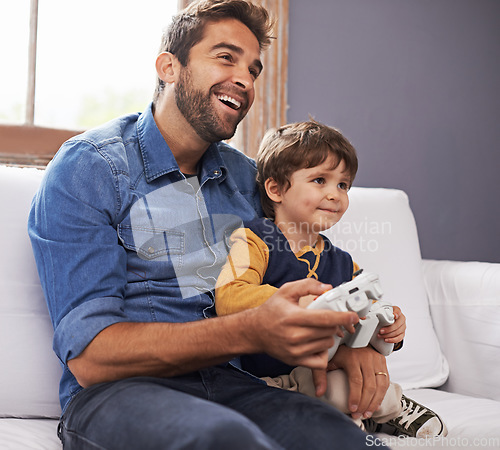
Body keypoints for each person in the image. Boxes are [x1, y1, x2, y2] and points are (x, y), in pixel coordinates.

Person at [28, 1, 391, 448]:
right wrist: (249, 329)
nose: (244, 78)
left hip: (233, 385)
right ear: (169, 67)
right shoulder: (92, 167)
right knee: (222, 439)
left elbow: (303, 259)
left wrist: (358, 341)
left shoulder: (248, 178)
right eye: (225, 57)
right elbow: (91, 358)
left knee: (335, 438)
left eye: (254, 70)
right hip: (120, 392)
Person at [215, 119, 448, 438]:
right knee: (336, 392)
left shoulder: (342, 261)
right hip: (268, 380)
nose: (335, 195)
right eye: (320, 180)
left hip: (320, 368)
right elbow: (229, 296)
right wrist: (300, 303)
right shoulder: (253, 240)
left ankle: (386, 407)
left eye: (343, 185)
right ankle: (360, 419)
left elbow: (370, 305)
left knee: (354, 378)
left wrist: (390, 322)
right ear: (276, 189)